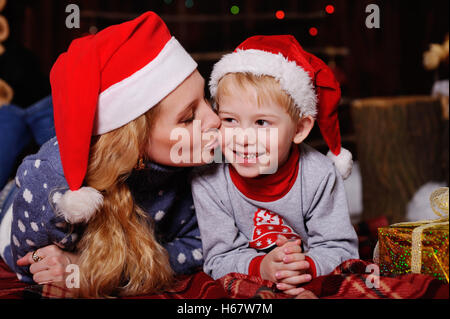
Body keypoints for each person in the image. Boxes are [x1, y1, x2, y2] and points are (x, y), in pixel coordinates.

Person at [0, 11, 221, 298]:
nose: (215, 120)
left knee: (43, 116)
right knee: (11, 124)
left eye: (206, 98)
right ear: (135, 140)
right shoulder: (53, 180)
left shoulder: (198, 169)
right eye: (189, 117)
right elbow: (30, 263)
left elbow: (201, 247)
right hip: (10, 204)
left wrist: (93, 269)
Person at [192, 35, 359, 295]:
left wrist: (305, 266)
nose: (243, 138)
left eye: (261, 123)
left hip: (303, 270)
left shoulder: (319, 175)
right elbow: (218, 258)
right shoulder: (209, 181)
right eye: (230, 120)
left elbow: (341, 248)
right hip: (258, 274)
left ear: (300, 129)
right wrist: (263, 267)